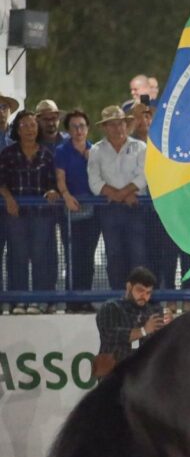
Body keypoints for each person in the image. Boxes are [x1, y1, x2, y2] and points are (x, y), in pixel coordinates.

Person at [0, 110, 61, 314]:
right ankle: (18, 300)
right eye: (25, 125)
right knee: (17, 257)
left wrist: (53, 191)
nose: (29, 129)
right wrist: (8, 198)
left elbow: (54, 183)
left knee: (40, 256)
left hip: (41, 216)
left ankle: (39, 300)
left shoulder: (47, 154)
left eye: (33, 125)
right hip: (15, 215)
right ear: (18, 129)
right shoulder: (8, 153)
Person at [87, 105, 148, 291]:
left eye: (120, 123)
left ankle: (140, 295)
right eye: (111, 125)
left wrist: (123, 193)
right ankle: (119, 294)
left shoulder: (140, 147)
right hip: (110, 209)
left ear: (126, 124)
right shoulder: (96, 150)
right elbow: (94, 180)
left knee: (138, 254)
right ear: (105, 127)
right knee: (114, 254)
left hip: (136, 207)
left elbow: (145, 175)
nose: (117, 128)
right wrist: (120, 195)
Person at [54, 109, 99, 312]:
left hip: (93, 210)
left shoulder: (95, 150)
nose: (79, 130)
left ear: (87, 129)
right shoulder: (62, 151)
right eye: (74, 126)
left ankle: (85, 298)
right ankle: (72, 300)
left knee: (88, 257)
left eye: (82, 126)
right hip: (71, 210)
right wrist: (66, 195)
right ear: (68, 130)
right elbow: (60, 179)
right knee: (73, 256)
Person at [94, 266, 165, 376]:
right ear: (128, 287)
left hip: (141, 372)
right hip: (111, 370)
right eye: (140, 290)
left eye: (148, 292)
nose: (144, 296)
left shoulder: (153, 311)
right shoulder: (110, 307)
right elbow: (110, 335)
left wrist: (168, 326)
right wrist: (143, 331)